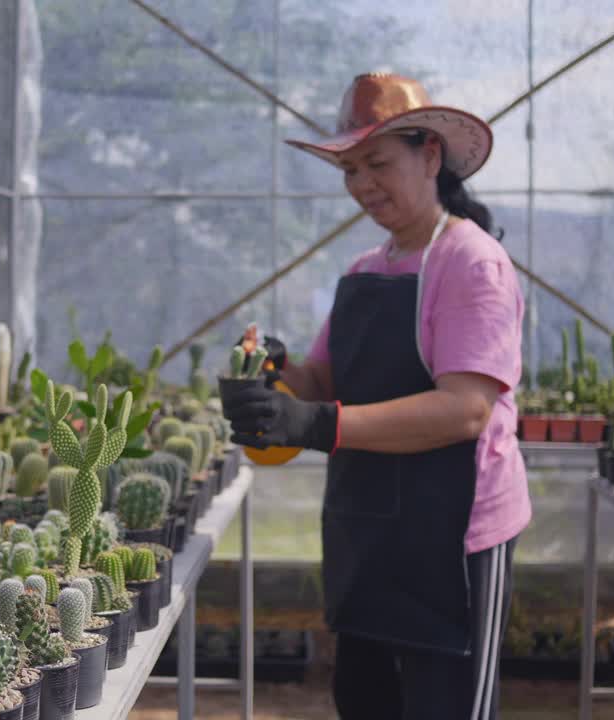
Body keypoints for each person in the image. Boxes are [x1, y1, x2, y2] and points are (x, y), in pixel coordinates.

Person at [220, 73, 530, 719]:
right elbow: (325, 383)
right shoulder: (365, 269)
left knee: (443, 703)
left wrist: (311, 423)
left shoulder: (472, 263)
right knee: (365, 699)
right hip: (366, 526)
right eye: (351, 170)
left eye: (378, 164)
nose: (363, 185)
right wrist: (274, 373)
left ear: (431, 156)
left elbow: (466, 409)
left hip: (452, 536)